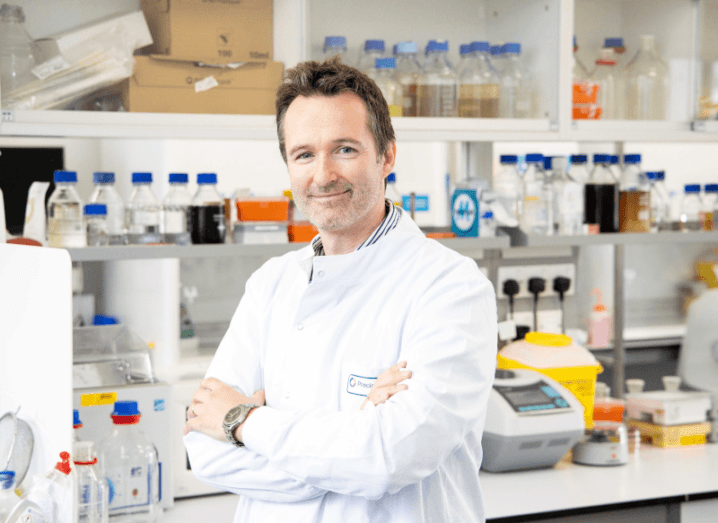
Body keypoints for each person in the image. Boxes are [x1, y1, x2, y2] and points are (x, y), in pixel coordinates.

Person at [183, 56, 498, 522]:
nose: (323, 174)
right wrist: (354, 433)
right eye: (304, 154)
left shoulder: (450, 287)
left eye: (345, 149)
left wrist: (241, 421)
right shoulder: (271, 284)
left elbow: (388, 458)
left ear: (386, 155)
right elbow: (203, 448)